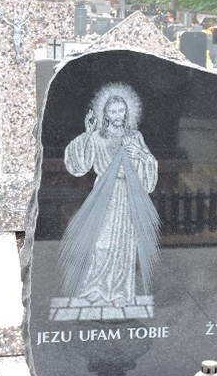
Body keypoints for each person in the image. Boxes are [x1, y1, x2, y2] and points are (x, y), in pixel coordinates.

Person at [59, 82, 160, 308]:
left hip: (127, 194)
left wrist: (140, 155)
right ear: (105, 114)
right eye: (112, 111)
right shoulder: (97, 137)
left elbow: (149, 163)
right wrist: (87, 134)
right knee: (100, 242)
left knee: (124, 244)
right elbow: (79, 166)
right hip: (104, 193)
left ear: (127, 112)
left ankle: (119, 292)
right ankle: (96, 288)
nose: (117, 115)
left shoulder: (135, 136)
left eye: (121, 110)